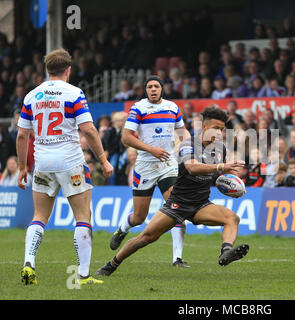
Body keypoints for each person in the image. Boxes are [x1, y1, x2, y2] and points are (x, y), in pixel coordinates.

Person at [94, 107, 249, 277]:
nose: (220, 133)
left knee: (232, 218)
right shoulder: (188, 145)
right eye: (216, 129)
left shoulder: (219, 148)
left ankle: (225, 252)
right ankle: (111, 264)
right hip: (177, 204)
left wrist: (236, 182)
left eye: (222, 129)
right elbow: (192, 167)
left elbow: (226, 171)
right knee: (146, 237)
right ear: (205, 128)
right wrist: (221, 167)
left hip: (201, 204)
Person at [17, 49, 114, 285]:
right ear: (68, 70)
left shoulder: (32, 96)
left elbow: (22, 135)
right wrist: (103, 159)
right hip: (71, 163)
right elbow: (89, 130)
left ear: (47, 70)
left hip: (42, 163)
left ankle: (29, 262)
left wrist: (22, 168)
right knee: (83, 217)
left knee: (39, 216)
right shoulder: (74, 93)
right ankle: (82, 274)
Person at [108, 76, 192, 268]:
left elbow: (182, 131)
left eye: (156, 86)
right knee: (139, 217)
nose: (153, 89)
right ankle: (122, 229)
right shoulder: (138, 108)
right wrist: (151, 149)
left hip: (168, 164)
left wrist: (187, 144)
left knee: (176, 208)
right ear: (146, 90)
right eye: (149, 87)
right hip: (145, 166)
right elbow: (126, 138)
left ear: (162, 89)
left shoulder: (172, 107)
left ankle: (177, 258)